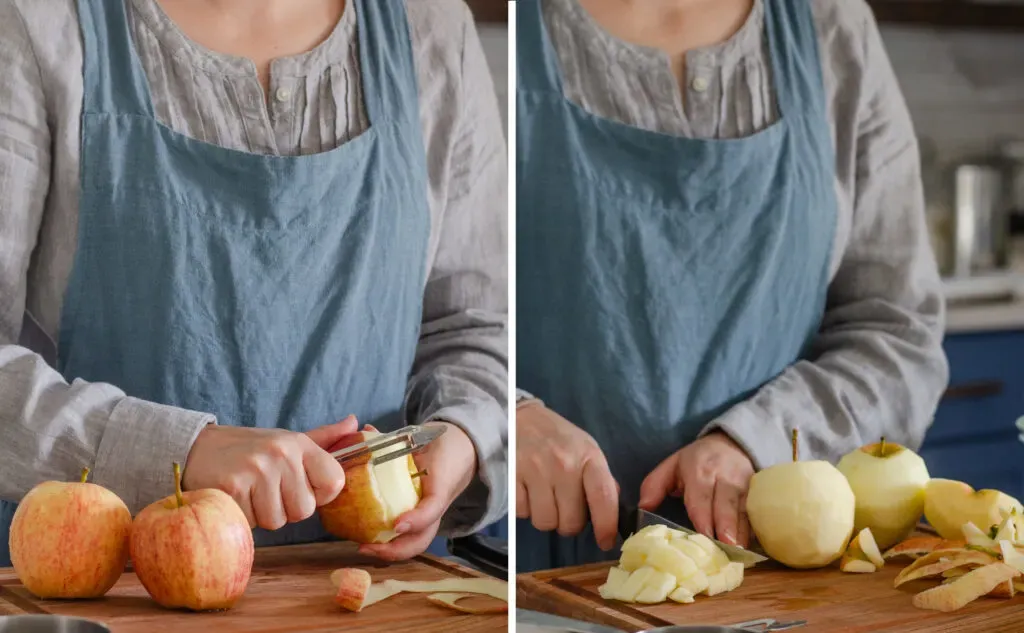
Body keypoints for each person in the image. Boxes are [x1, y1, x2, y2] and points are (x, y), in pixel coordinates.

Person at [0, 0, 508, 566]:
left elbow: (477, 328)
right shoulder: (33, 22)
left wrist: (463, 435)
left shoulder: (435, 31)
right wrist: (178, 452)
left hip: (374, 597)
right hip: (104, 590)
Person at [515, 0, 948, 572]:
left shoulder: (834, 30)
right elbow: (432, 325)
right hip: (539, 574)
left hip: (781, 572)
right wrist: (509, 415)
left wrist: (758, 439)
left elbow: (898, 335)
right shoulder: (492, 31)